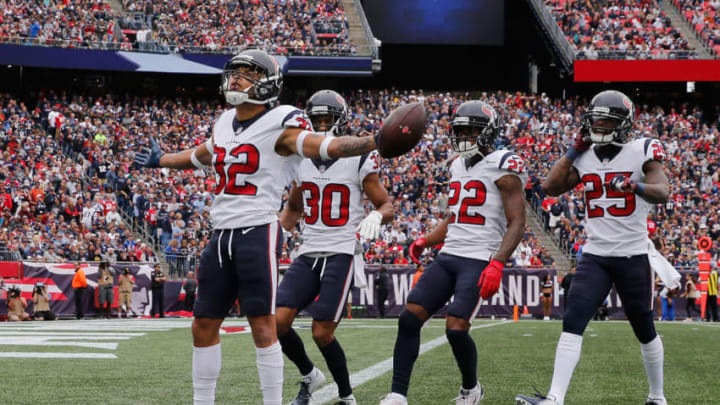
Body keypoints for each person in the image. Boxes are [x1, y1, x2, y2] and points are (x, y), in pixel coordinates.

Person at [132, 49, 382, 405]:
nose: (237, 79)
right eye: (235, 72)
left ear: (268, 83)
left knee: (263, 325)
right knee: (202, 323)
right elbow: (202, 154)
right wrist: (162, 160)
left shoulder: (281, 121)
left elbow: (328, 146)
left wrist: (375, 141)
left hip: (257, 231)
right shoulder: (223, 122)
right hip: (221, 234)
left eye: (248, 73)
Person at [516, 90, 670, 405]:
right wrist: (573, 150)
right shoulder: (585, 156)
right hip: (596, 255)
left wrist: (635, 185)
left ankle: (657, 396)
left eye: (606, 121)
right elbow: (550, 186)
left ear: (624, 124)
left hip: (632, 253)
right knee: (573, 319)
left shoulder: (642, 150)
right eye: (595, 120)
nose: (598, 126)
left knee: (643, 325)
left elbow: (663, 192)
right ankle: (554, 398)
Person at [380, 101, 526, 405]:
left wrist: (498, 263)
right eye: (460, 130)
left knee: (456, 329)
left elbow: (517, 220)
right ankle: (397, 394)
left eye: (472, 130)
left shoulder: (504, 163)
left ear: (488, 132)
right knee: (409, 319)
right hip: (449, 256)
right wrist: (427, 240)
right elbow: (455, 216)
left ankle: (471, 389)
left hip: (479, 256)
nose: (464, 136)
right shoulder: (458, 164)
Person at [275, 90, 393, 405]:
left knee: (321, 332)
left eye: (328, 120)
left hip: (341, 251)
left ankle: (346, 396)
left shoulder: (357, 156)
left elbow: (386, 205)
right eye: (317, 120)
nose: (322, 125)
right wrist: (273, 234)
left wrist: (375, 217)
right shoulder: (301, 158)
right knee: (278, 322)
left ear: (340, 122)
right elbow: (293, 209)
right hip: (308, 250)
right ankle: (310, 376)